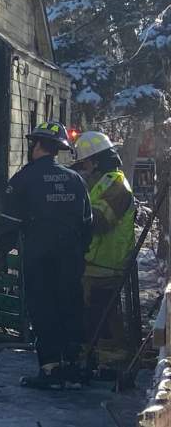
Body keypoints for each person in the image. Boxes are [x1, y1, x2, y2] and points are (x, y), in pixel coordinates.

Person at [0, 122, 93, 388]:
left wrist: (2, 254)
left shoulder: (24, 179)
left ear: (36, 145)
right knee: (69, 307)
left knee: (43, 308)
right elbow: (88, 223)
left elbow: (8, 222)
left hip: (39, 258)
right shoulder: (76, 180)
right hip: (71, 259)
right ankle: (72, 367)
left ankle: (50, 370)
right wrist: (79, 253)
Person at [70, 131, 135, 371]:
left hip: (106, 267)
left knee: (103, 317)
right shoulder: (101, 184)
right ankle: (93, 357)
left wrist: (71, 208)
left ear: (95, 161)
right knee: (92, 316)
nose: (83, 168)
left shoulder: (117, 185)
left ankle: (110, 361)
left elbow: (99, 221)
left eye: (85, 163)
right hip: (93, 266)